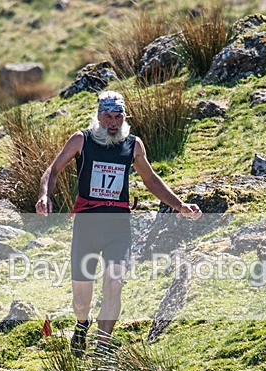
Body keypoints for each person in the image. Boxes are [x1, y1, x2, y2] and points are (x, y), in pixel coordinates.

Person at [35, 91, 202, 355]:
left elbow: (151, 179)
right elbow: (53, 170)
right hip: (87, 226)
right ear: (99, 117)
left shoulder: (133, 145)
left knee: (114, 282)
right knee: (81, 299)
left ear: (124, 117)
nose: (113, 122)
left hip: (118, 226)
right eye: (108, 117)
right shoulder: (82, 140)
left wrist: (179, 205)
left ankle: (102, 347)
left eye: (118, 116)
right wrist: (44, 195)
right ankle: (82, 324)